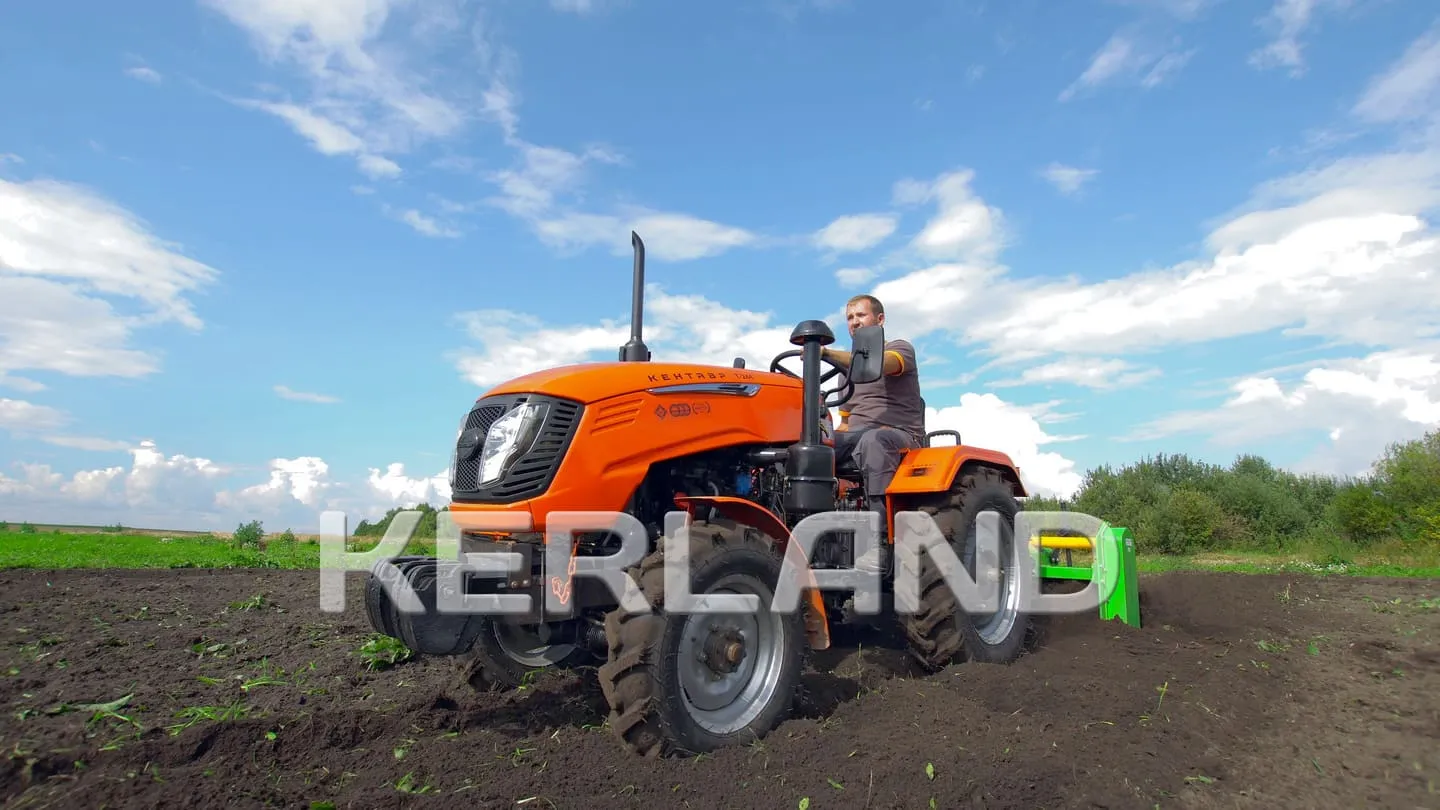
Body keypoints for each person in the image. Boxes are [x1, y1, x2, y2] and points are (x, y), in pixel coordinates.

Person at [820, 294, 925, 573]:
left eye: (861, 315)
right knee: (810, 446)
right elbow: (845, 423)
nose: (854, 322)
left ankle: (882, 543)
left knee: (874, 440)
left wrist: (825, 353)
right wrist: (823, 442)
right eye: (850, 318)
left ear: (880, 320)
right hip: (857, 434)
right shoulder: (845, 372)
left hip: (900, 434)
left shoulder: (899, 349)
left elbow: (879, 363)